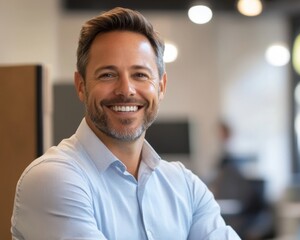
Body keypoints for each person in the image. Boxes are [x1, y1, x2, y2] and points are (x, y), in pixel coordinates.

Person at [11, 7, 240, 240]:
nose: (126, 90)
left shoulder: (185, 186)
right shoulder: (53, 179)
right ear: (81, 85)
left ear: (161, 87)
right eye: (108, 75)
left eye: (140, 74)